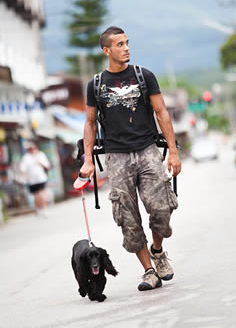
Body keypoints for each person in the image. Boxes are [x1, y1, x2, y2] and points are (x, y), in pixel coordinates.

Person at [80, 26, 182, 291]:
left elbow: (162, 113)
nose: (126, 47)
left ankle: (158, 250)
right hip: (117, 156)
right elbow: (90, 123)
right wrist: (88, 160)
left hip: (147, 149)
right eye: (119, 44)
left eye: (127, 43)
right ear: (107, 50)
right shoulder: (96, 85)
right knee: (128, 217)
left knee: (161, 208)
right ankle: (149, 271)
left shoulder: (144, 76)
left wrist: (173, 151)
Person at [20, 142, 50, 218]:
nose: (32, 150)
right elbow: (22, 168)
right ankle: (39, 209)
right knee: (36, 195)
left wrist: (39, 162)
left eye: (32, 148)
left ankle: (44, 209)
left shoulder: (40, 155)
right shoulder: (26, 157)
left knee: (42, 193)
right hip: (32, 180)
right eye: (29, 149)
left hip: (41, 178)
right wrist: (24, 177)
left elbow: (47, 166)